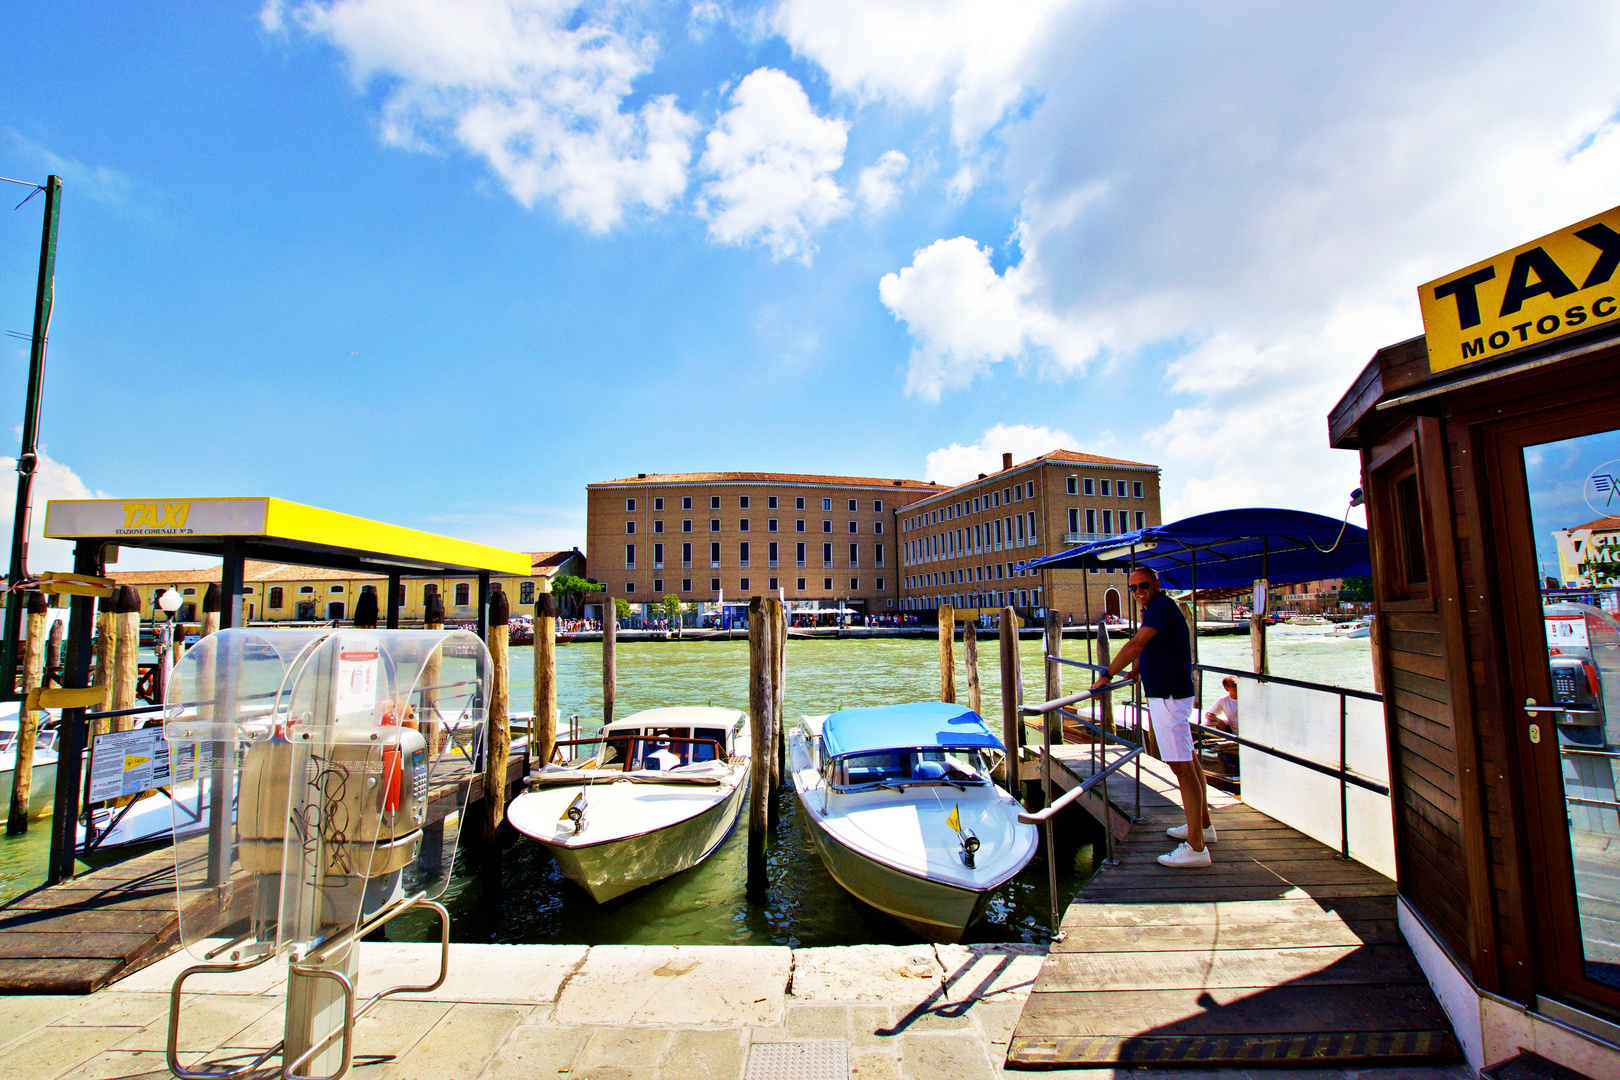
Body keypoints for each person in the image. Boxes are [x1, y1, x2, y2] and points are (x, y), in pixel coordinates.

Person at [1091, 567, 1212, 868]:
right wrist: (1137, 670)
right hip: (1172, 693)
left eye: (1143, 585)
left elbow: (1136, 644)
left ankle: (1197, 848)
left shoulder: (1160, 607)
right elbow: (1156, 647)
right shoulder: (1157, 609)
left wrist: (1106, 676)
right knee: (1190, 761)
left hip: (1169, 696)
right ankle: (1203, 826)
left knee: (1181, 767)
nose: (1138, 591)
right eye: (1132, 588)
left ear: (1156, 584)